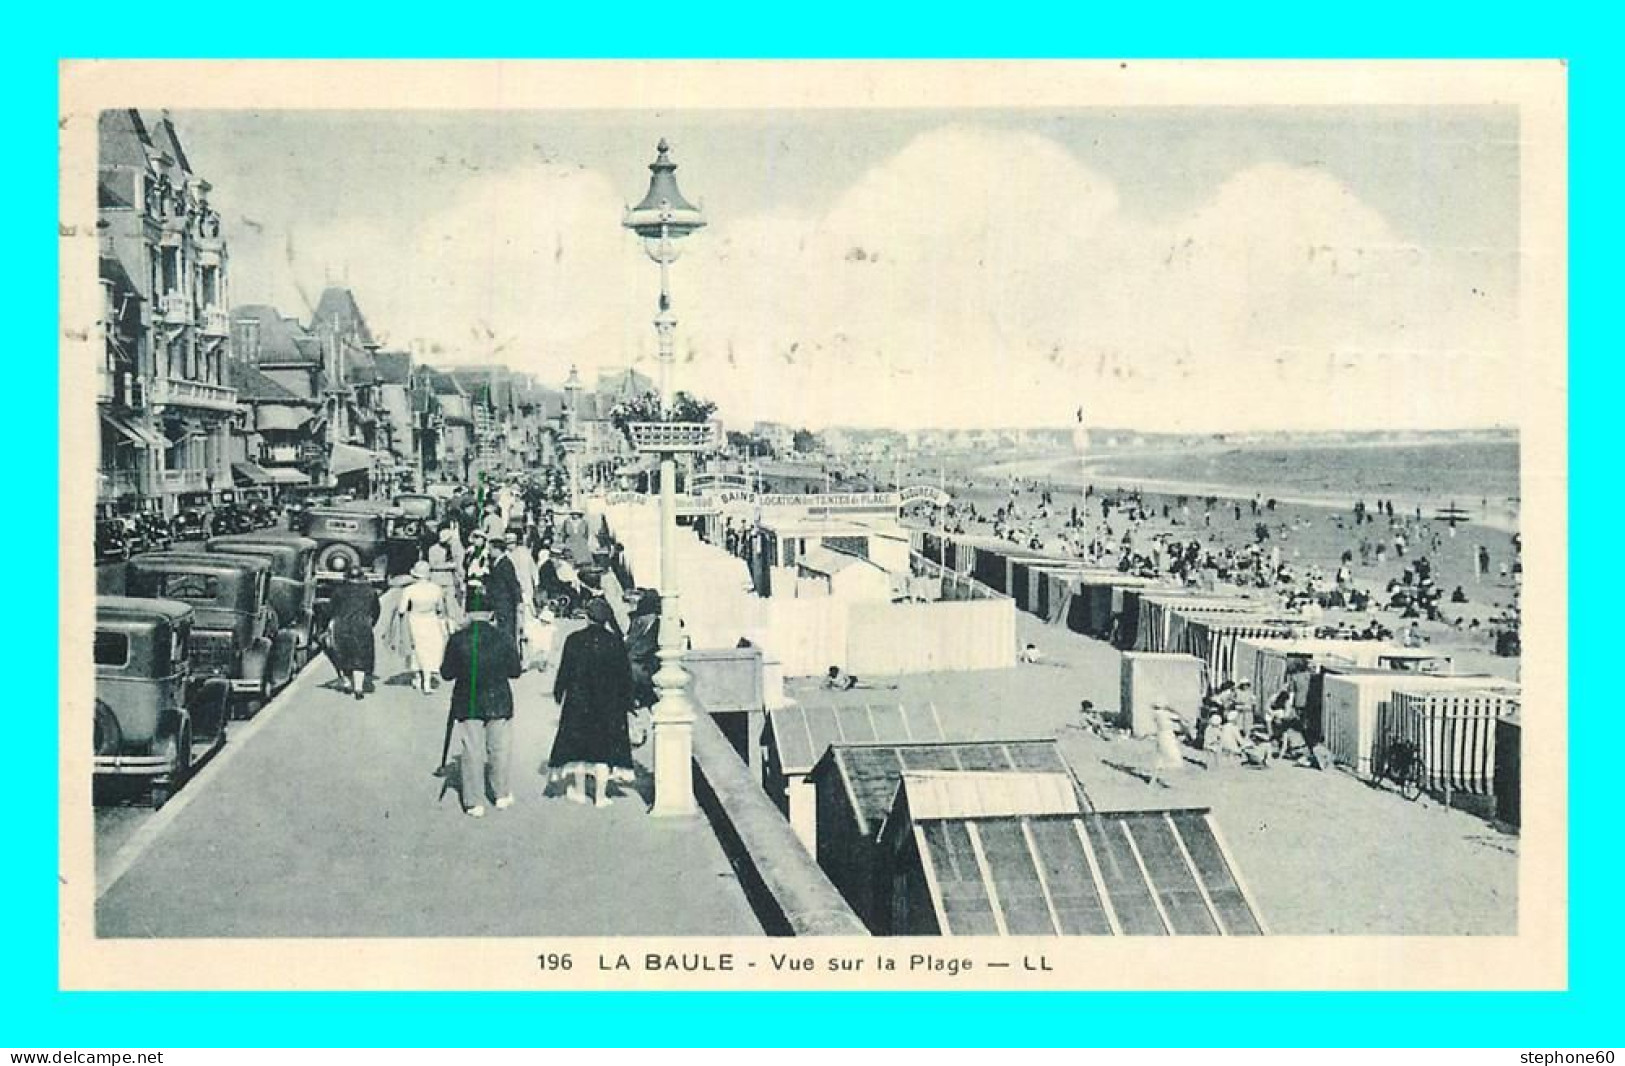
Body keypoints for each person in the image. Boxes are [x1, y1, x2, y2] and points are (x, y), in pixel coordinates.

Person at [549, 598, 637, 807]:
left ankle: (579, 792)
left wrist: (558, 693)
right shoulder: (615, 642)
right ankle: (600, 796)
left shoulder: (574, 639)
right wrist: (628, 701)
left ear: (587, 617)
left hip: (578, 701)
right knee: (604, 749)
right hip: (609, 703)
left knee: (580, 750)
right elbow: (625, 675)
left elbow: (565, 670)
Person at [440, 605, 525, 817]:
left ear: (468, 614)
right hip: (499, 699)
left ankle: (474, 801)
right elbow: (515, 671)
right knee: (499, 748)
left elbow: (446, 673)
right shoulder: (504, 637)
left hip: (468, 700)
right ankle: (501, 794)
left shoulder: (458, 639)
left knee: (472, 750)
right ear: (490, 614)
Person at [326, 562, 380, 700]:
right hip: (362, 626)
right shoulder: (370, 591)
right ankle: (358, 689)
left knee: (341, 655)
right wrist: (370, 623)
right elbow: (376, 611)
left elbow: (331, 609)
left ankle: (346, 681)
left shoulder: (338, 591)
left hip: (342, 626)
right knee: (360, 658)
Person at [395, 561, 450, 694]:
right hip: (431, 620)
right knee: (429, 650)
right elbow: (441, 609)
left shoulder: (409, 590)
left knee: (416, 649)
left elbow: (401, 610)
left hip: (415, 620)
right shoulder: (436, 589)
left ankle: (417, 678)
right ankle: (427, 679)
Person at [483, 535, 526, 650]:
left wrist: (519, 601)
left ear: (497, 549)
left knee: (507, 632)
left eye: (491, 549)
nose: (489, 552)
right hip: (499, 603)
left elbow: (513, 584)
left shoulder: (505, 564)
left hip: (505, 604)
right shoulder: (496, 563)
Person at [625, 589, 661, 711]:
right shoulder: (638, 625)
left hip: (650, 666)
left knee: (632, 667)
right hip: (640, 663)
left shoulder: (659, 627)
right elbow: (628, 644)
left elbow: (640, 651)